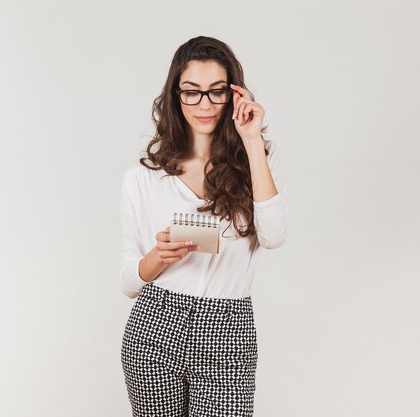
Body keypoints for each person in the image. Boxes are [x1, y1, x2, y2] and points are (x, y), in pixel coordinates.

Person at [118, 36, 288, 417]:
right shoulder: (142, 178)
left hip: (228, 330)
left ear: (235, 95)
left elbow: (275, 236)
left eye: (216, 92)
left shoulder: (258, 158)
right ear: (175, 95)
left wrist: (251, 142)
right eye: (191, 92)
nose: (205, 105)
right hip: (154, 327)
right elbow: (128, 281)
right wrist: (158, 257)